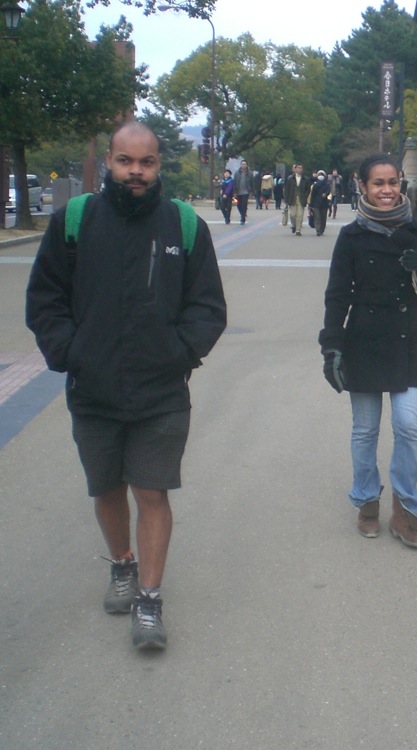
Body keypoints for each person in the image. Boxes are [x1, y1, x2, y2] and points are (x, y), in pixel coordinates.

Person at [25, 121, 227, 651]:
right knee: (107, 487)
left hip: (161, 391)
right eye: (125, 161)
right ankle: (122, 563)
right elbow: (45, 297)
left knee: (151, 491)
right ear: (110, 163)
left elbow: (208, 306)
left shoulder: (183, 224)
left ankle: (149, 599)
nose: (135, 171)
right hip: (93, 387)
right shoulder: (75, 222)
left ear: (159, 165)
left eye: (146, 162)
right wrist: (72, 353)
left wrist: (178, 354)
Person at [319, 154, 417, 548]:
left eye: (393, 182)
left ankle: (406, 509)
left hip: (407, 341)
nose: (387, 190)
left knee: (408, 425)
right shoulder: (352, 236)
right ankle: (367, 500)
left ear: (400, 183)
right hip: (364, 340)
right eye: (378, 183)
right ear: (363, 186)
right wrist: (331, 347)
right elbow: (337, 295)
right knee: (365, 429)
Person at [285, 163, 310, 236]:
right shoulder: (290, 179)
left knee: (300, 215)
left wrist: (305, 196)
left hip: (301, 199)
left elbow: (308, 189)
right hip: (292, 198)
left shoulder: (305, 179)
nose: (299, 169)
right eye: (298, 168)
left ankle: (298, 229)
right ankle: (294, 225)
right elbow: (287, 190)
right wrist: (286, 200)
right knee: (292, 215)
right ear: (295, 169)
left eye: (301, 168)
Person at [307, 170, 332, 236]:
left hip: (324, 203)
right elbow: (312, 194)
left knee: (323, 217)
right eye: (319, 175)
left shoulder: (327, 184)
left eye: (322, 175)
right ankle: (318, 230)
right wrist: (310, 204)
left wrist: (325, 194)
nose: (321, 176)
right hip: (316, 204)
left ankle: (321, 229)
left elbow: (328, 191)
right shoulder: (315, 184)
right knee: (317, 217)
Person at [234, 159, 252, 224]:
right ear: (240, 165)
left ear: (246, 165)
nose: (243, 165)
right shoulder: (237, 173)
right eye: (242, 164)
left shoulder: (249, 174)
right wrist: (234, 191)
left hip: (246, 192)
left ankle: (242, 218)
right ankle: (242, 214)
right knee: (238, 205)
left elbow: (252, 183)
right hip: (238, 191)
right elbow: (235, 182)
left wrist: (251, 191)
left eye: (244, 164)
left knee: (244, 205)